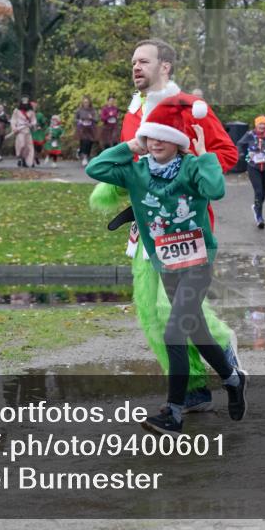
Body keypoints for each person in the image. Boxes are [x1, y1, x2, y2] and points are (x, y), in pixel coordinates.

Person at [89, 38, 240, 414]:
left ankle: (224, 354)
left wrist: (192, 173)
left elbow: (226, 153)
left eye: (144, 61)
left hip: (186, 227)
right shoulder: (134, 109)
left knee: (172, 312)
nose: (135, 67)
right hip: (147, 226)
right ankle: (193, 388)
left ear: (165, 67)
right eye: (133, 61)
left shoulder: (190, 107)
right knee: (149, 310)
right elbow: (126, 163)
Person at [237, 115, 265, 228]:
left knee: (263, 194)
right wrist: (242, 154)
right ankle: (259, 218)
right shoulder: (250, 135)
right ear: (256, 125)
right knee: (259, 192)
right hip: (253, 167)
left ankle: (256, 207)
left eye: (264, 124)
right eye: (260, 124)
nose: (262, 126)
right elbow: (240, 144)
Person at [11, 97, 37, 167]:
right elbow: (13, 120)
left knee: (28, 147)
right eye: (23, 103)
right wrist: (14, 128)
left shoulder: (31, 111)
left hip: (27, 130)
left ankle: (26, 160)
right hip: (20, 130)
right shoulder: (16, 111)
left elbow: (34, 121)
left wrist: (31, 124)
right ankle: (20, 157)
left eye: (26, 103)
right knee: (22, 145)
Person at [75, 96, 98, 166]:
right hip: (82, 129)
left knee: (90, 143)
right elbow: (75, 119)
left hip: (90, 129)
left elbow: (96, 120)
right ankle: (84, 157)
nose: (86, 103)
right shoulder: (79, 110)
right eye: (85, 102)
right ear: (82, 103)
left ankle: (83, 154)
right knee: (84, 142)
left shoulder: (92, 110)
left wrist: (92, 118)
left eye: (87, 102)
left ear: (89, 103)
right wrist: (79, 121)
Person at [31, 101, 48, 166]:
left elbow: (44, 124)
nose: (33, 108)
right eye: (32, 107)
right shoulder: (27, 115)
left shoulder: (40, 115)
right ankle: (32, 161)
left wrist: (41, 127)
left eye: (34, 107)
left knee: (39, 148)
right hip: (30, 133)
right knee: (32, 147)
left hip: (38, 134)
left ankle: (36, 157)